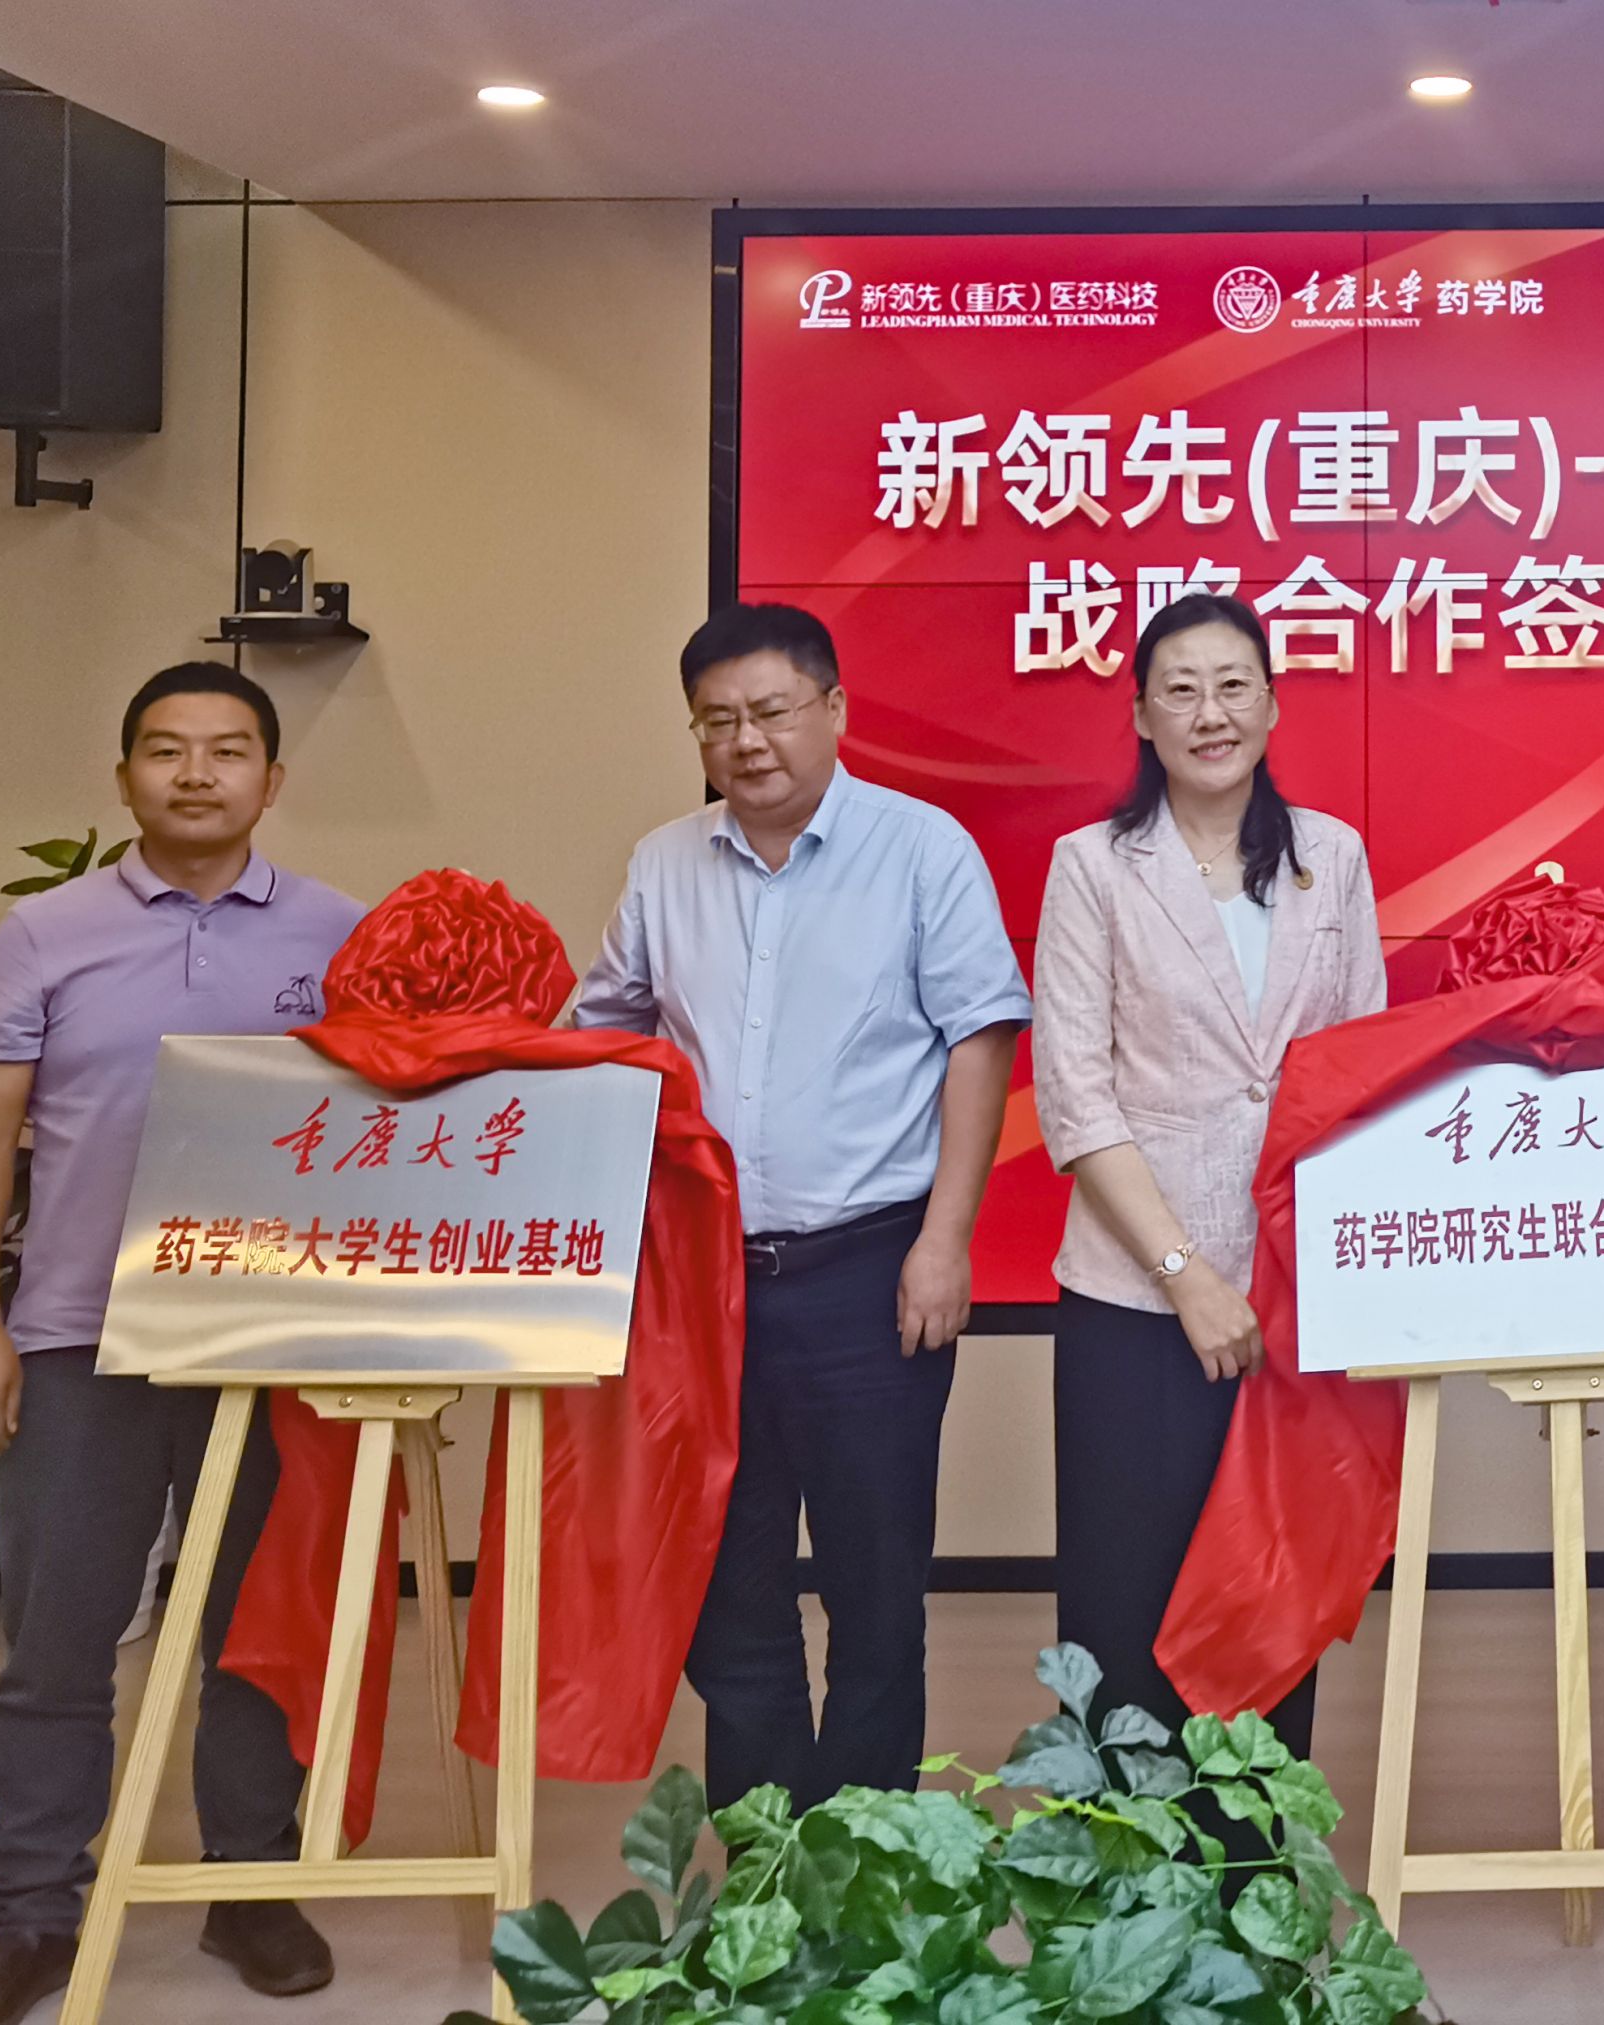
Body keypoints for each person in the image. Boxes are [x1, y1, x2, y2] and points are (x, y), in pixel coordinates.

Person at [0, 663, 366, 2025]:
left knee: (252, 1639)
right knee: (56, 1646)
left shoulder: (341, 934)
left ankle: (249, 1886)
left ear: (272, 781)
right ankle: (32, 1916)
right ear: (124, 777)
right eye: (165, 750)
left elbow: (388, 1133)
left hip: (268, 1350)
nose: (195, 774)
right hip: (80, 1340)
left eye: (228, 751)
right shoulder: (45, 935)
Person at [575, 602, 1028, 1811]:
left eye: (772, 711)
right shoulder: (665, 862)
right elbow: (602, 1029)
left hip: (873, 1268)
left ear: (833, 709)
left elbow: (980, 1040)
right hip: (707, 1284)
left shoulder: (921, 848)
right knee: (731, 1582)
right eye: (716, 721)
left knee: (877, 1586)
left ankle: (865, 1850)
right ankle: (765, 1851)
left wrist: (945, 1241)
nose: (747, 741)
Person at [1034, 591, 1386, 1767]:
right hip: (1135, 1297)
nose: (1209, 713)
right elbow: (1075, 1094)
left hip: (1288, 1296)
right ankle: (1128, 1868)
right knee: (1126, 1603)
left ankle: (1256, 1863)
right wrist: (1186, 1275)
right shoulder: (1093, 866)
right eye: (1179, 690)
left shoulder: (1331, 858)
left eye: (1234, 685)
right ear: (1141, 715)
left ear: (1273, 704)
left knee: (1272, 1598)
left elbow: (1358, 1068)